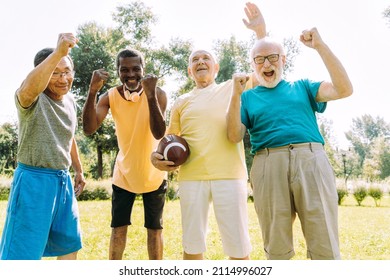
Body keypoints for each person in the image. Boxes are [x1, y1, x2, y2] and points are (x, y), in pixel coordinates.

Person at [151, 2, 266, 260]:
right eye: (195, 60)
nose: (201, 61)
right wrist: (156, 158)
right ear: (189, 71)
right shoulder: (181, 102)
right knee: (192, 247)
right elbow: (169, 141)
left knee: (238, 247)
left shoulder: (233, 86)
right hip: (192, 178)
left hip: (230, 176)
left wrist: (260, 33)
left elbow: (262, 70)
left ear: (215, 68)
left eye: (206, 58)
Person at [226, 27, 353, 260]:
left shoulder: (303, 86)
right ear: (253, 64)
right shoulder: (246, 97)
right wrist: (235, 94)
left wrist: (320, 46)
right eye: (260, 59)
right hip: (268, 164)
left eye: (273, 57)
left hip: (310, 160)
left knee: (324, 239)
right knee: (276, 246)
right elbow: (234, 135)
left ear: (283, 60)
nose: (267, 64)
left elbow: (344, 89)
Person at [0, 33, 86, 260]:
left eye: (66, 71)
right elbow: (28, 88)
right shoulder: (31, 98)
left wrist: (78, 169)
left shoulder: (70, 102)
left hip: (63, 180)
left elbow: (68, 135)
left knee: (70, 245)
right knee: (22, 254)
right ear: (43, 72)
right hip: (33, 182)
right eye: (55, 72)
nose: (63, 78)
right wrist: (59, 53)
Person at [82, 49, 168, 260]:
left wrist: (149, 94)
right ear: (118, 71)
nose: (131, 74)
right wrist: (92, 91)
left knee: (155, 230)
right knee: (118, 229)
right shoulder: (109, 96)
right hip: (124, 174)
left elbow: (159, 132)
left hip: (154, 174)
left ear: (143, 70)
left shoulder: (158, 94)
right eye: (124, 70)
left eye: (136, 69)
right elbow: (89, 128)